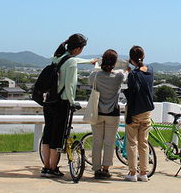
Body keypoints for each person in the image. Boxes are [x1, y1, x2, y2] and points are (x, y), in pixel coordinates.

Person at [41, 33, 97, 178]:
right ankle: (53, 168)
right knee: (57, 137)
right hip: (62, 103)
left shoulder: (57, 56)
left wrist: (90, 61)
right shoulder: (70, 62)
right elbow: (70, 85)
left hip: (49, 101)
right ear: (78, 48)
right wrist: (73, 102)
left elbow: (73, 59)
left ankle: (46, 167)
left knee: (47, 134)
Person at [87, 49, 127, 179]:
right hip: (113, 113)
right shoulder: (118, 77)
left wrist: (95, 66)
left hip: (97, 113)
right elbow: (126, 73)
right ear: (115, 63)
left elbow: (90, 80)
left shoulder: (96, 76)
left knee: (97, 142)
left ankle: (96, 169)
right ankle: (106, 169)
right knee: (109, 142)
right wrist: (126, 67)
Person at [123, 45, 155, 182]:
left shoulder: (133, 75)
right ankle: (143, 172)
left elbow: (131, 94)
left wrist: (129, 72)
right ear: (144, 56)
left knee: (132, 143)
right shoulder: (151, 70)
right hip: (147, 112)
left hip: (134, 112)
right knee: (144, 143)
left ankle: (133, 172)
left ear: (131, 59)